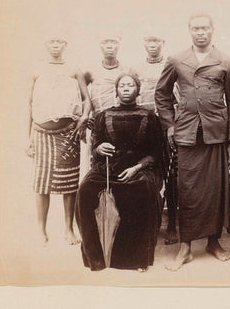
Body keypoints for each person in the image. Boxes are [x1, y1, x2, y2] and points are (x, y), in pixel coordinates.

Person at [155, 13, 230, 271]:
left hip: (216, 133)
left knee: (216, 190)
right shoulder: (176, 60)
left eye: (204, 28)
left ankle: (214, 243)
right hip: (187, 133)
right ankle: (186, 246)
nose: (200, 32)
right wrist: (170, 125)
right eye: (195, 28)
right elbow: (161, 94)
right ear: (189, 30)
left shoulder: (226, 61)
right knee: (188, 189)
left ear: (213, 30)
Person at [75, 73, 164, 271]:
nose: (126, 88)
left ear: (138, 91)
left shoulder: (149, 117)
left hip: (139, 167)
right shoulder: (103, 115)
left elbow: (156, 152)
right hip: (108, 167)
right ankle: (95, 257)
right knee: (85, 190)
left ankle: (136, 259)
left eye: (130, 85)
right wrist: (99, 149)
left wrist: (137, 168)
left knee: (144, 190)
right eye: (122, 85)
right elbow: (96, 145)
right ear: (116, 90)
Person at [27, 34, 91, 246]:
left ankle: (68, 228)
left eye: (59, 41)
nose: (55, 45)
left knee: (69, 182)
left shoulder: (74, 69)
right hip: (41, 133)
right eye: (51, 41)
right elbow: (28, 104)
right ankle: (40, 230)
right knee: (41, 182)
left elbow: (86, 99)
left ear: (65, 44)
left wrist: (83, 118)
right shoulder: (36, 70)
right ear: (46, 44)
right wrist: (28, 138)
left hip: (68, 132)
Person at [135, 35, 179, 244]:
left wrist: (172, 125)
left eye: (157, 41)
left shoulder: (172, 63)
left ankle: (172, 223)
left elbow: (178, 96)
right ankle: (149, 223)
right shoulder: (136, 68)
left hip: (167, 125)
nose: (153, 45)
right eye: (149, 41)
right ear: (143, 43)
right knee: (147, 173)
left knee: (172, 175)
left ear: (163, 42)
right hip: (144, 127)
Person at [80, 35, 129, 180]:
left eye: (113, 42)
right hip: (98, 126)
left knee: (120, 162)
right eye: (105, 42)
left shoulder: (126, 70)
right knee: (96, 164)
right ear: (100, 45)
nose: (109, 46)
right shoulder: (91, 71)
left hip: (120, 124)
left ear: (119, 45)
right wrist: (85, 116)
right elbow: (80, 95)